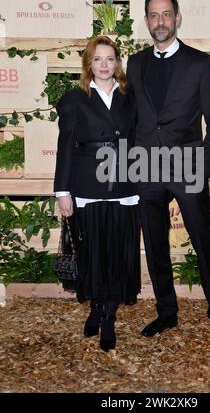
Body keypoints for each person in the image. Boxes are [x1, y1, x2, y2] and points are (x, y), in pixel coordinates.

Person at [126, 0, 210, 348]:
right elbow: (132, 118)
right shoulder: (136, 63)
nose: (160, 22)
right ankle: (166, 312)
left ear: (178, 18)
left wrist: (205, 168)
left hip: (187, 166)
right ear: (146, 21)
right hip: (146, 168)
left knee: (204, 244)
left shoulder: (201, 64)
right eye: (154, 15)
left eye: (166, 14)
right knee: (155, 245)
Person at [54, 35, 140, 352]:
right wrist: (62, 191)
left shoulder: (131, 97)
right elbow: (65, 148)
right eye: (98, 59)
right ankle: (95, 307)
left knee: (118, 254)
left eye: (110, 59)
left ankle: (109, 317)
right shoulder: (74, 100)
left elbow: (140, 141)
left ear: (117, 63)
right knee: (92, 253)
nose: (104, 65)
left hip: (124, 186)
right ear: (89, 63)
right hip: (86, 186)